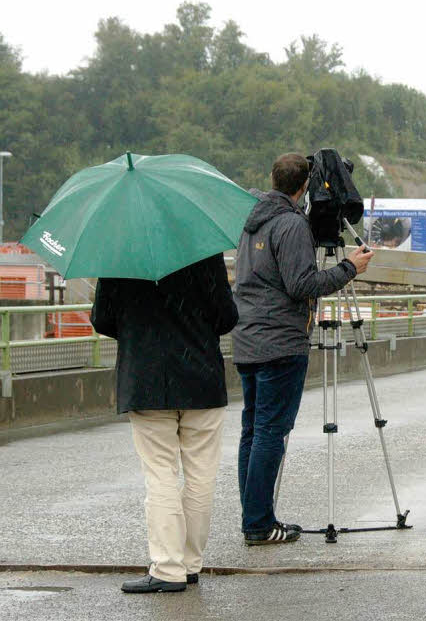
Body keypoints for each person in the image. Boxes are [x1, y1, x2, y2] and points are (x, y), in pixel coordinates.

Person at [232, 152, 373, 546]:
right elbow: (302, 284)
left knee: (253, 432)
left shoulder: (252, 222)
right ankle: (258, 523)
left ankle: (253, 516)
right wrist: (349, 268)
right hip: (279, 343)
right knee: (269, 434)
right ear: (304, 186)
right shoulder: (291, 224)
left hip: (248, 339)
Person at [90, 254, 237, 594]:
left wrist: (141, 330)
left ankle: (167, 568)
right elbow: (227, 317)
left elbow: (102, 319)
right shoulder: (204, 251)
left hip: (146, 378)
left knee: (160, 475)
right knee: (201, 476)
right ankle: (189, 565)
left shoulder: (120, 254)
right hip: (201, 377)